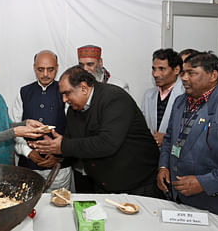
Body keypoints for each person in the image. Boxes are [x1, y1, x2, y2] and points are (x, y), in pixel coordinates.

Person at [30, 65, 161, 197]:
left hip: (137, 185)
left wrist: (63, 146)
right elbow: (73, 143)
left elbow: (107, 143)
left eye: (67, 93)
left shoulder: (114, 98)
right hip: (103, 185)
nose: (64, 100)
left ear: (83, 88)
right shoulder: (73, 110)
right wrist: (55, 149)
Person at [157, 52, 218, 224]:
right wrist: (164, 166)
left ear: (213, 76)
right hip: (178, 200)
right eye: (183, 73)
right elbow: (170, 138)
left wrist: (204, 182)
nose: (184, 78)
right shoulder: (180, 101)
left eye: (191, 73)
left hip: (217, 205)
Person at [12, 50, 72, 191]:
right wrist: (28, 152)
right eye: (40, 69)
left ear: (57, 68)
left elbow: (74, 130)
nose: (45, 74)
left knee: (58, 208)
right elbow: (14, 128)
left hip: (58, 169)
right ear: (34, 68)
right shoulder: (24, 92)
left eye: (50, 69)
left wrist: (59, 155)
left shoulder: (67, 92)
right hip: (27, 167)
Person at [142, 49, 184, 148]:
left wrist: (167, 138)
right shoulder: (149, 95)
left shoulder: (185, 94)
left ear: (176, 70)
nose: (155, 74)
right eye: (154, 69)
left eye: (162, 69)